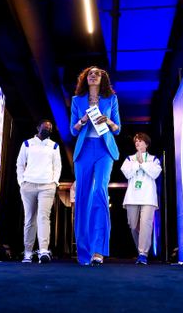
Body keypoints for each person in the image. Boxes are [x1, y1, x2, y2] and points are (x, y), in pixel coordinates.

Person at [70, 66, 121, 265]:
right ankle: (84, 254)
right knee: (83, 198)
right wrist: (83, 120)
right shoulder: (77, 101)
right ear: (85, 79)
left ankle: (98, 250)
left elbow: (117, 129)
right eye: (90, 73)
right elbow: (73, 130)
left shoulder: (111, 100)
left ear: (102, 79)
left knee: (100, 191)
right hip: (83, 151)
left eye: (97, 73)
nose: (93, 75)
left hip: (104, 150)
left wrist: (107, 120)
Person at [16, 119, 62, 263]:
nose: (47, 129)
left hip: (47, 185)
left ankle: (43, 250)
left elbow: (57, 166)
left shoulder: (54, 146)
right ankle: (28, 252)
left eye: (50, 128)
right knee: (29, 218)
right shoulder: (27, 144)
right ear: (38, 128)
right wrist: (21, 182)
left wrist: (54, 182)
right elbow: (20, 164)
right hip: (28, 184)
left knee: (43, 217)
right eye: (45, 127)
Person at [120, 133, 162, 265]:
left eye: (140, 140)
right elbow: (127, 173)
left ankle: (143, 253)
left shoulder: (154, 159)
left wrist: (143, 163)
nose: (137, 143)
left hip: (148, 197)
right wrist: (137, 164)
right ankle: (141, 250)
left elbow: (154, 174)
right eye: (136, 141)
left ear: (146, 144)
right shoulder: (129, 159)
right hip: (132, 197)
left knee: (146, 225)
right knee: (133, 225)